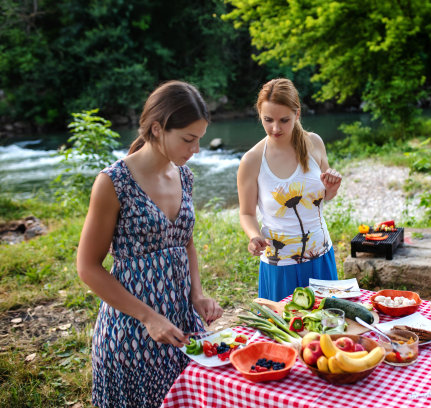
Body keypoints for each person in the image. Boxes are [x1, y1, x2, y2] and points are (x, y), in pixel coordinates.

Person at [76, 80, 223, 408]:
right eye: (188, 139)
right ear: (157, 129)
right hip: (133, 334)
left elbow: (184, 241)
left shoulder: (184, 176)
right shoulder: (113, 183)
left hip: (183, 327)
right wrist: (148, 317)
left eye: (199, 139)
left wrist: (197, 294)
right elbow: (87, 267)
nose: (196, 149)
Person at [237, 78, 343, 301]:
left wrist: (332, 188)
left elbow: (325, 197)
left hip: (321, 256)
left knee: (326, 331)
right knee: (286, 335)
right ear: (259, 116)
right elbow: (246, 212)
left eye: (284, 120)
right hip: (280, 265)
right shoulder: (252, 160)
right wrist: (254, 235)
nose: (275, 128)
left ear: (297, 114)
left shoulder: (314, 143)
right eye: (268, 120)